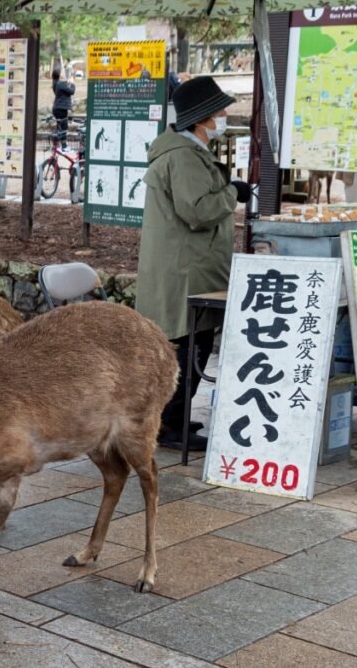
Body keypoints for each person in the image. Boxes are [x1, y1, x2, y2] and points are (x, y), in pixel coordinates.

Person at [136, 76, 251, 450]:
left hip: (184, 269)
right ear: (201, 119)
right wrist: (233, 192)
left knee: (188, 344)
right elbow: (198, 210)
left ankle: (173, 420)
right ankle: (171, 425)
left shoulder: (182, 153)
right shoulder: (184, 156)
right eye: (220, 111)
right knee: (189, 347)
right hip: (187, 273)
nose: (224, 118)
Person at [51, 67, 76, 149]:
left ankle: (57, 146)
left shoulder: (55, 83)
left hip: (57, 108)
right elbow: (71, 91)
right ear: (59, 74)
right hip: (61, 109)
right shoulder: (60, 84)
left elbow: (65, 90)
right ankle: (64, 147)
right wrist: (72, 83)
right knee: (64, 128)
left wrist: (68, 82)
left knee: (60, 127)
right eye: (61, 72)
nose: (63, 73)